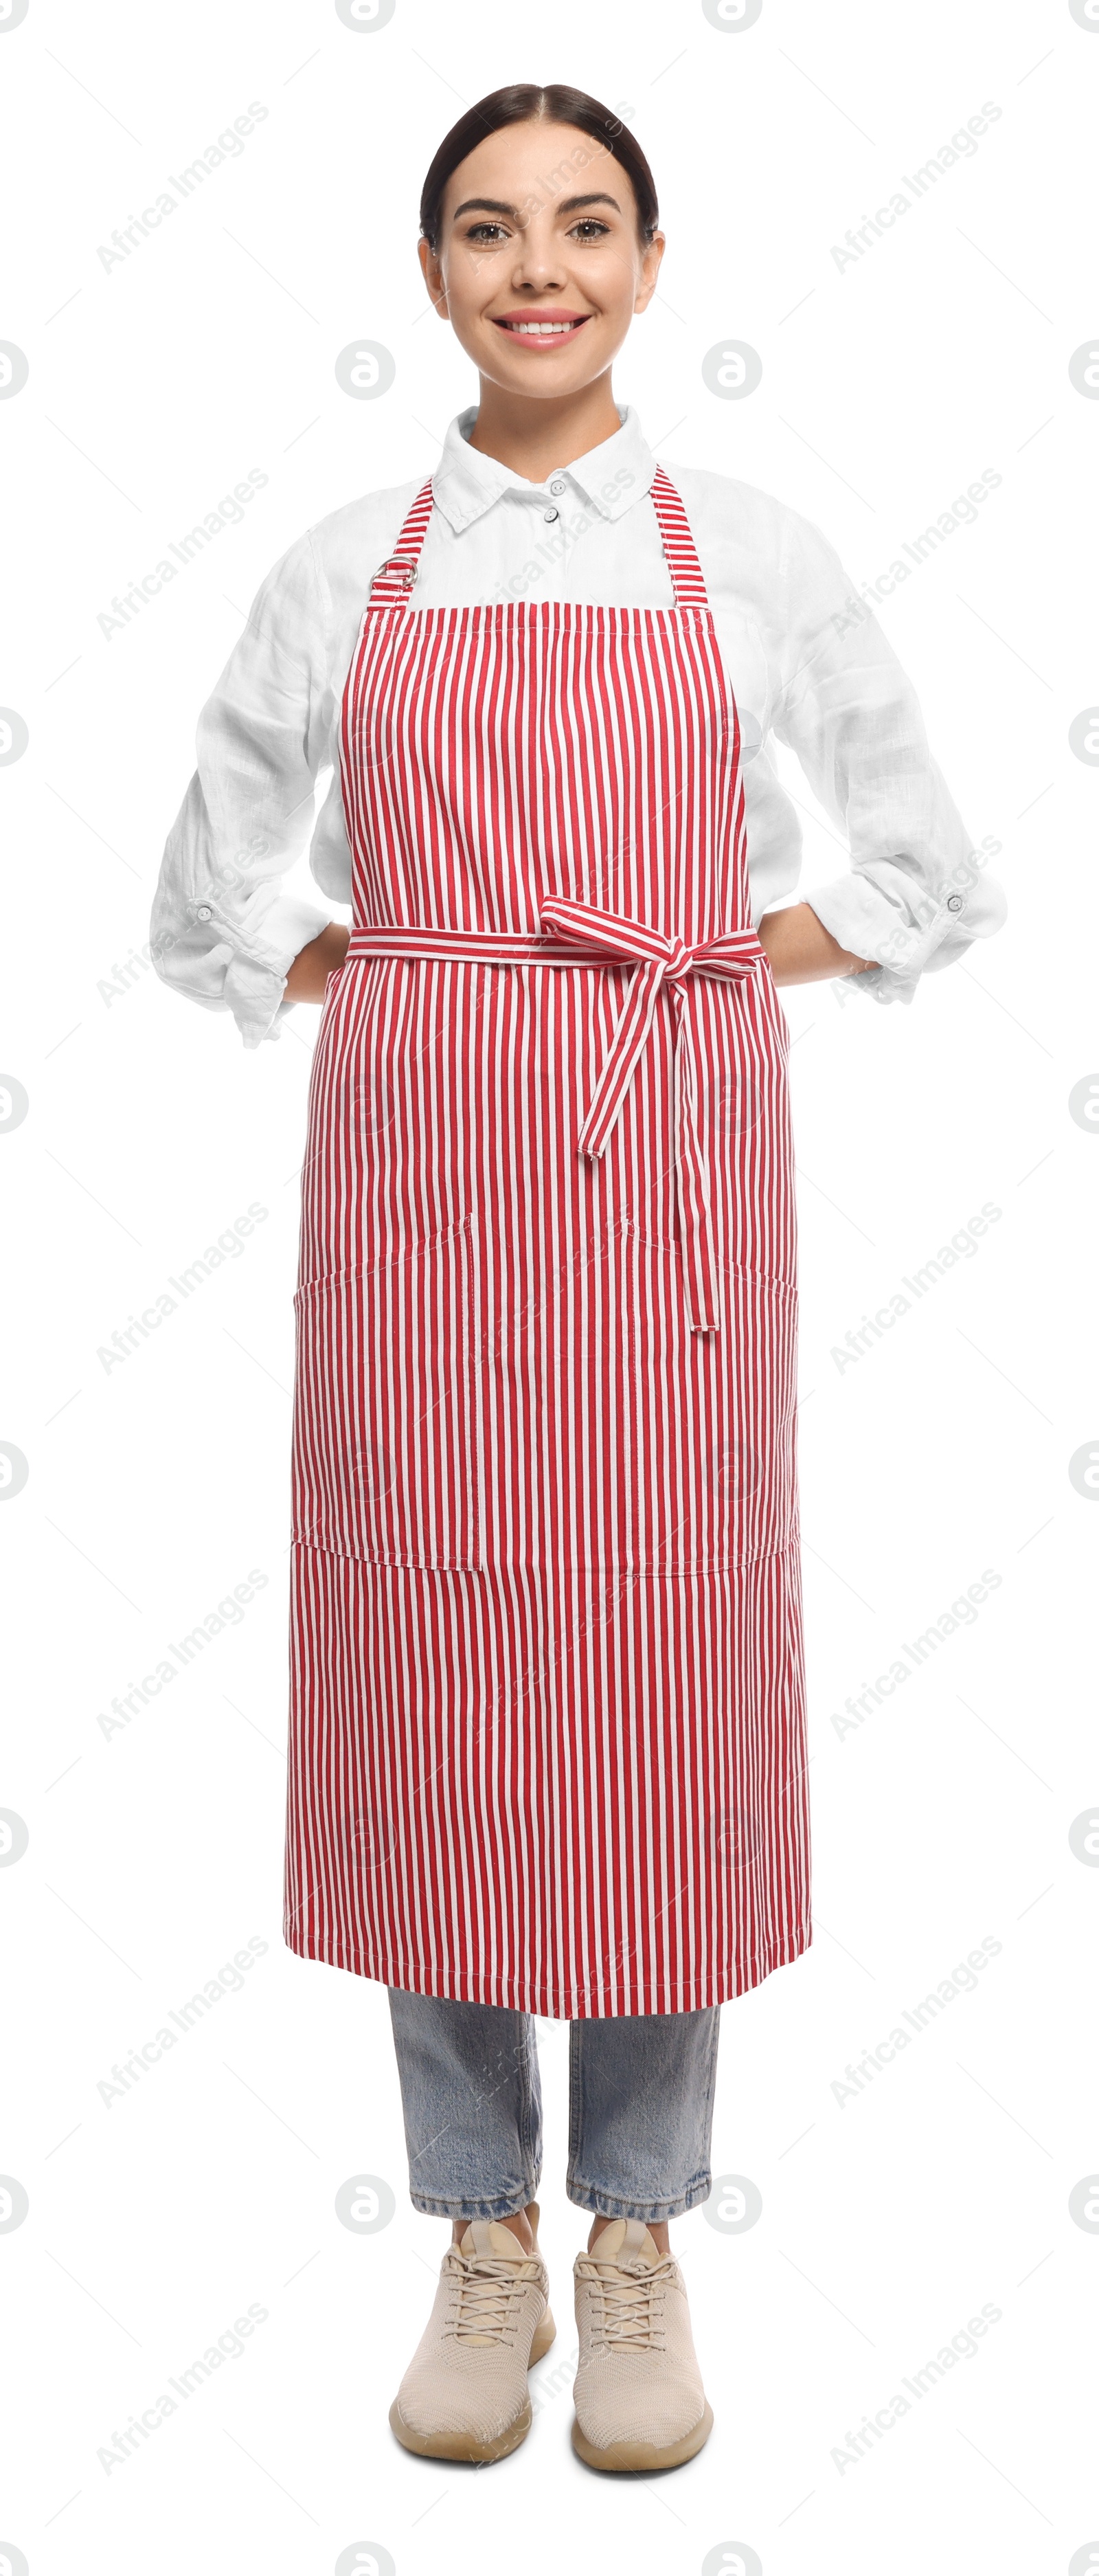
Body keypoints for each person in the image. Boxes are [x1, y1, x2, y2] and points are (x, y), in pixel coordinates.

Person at [150, 83, 1006, 2474]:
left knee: (655, 1663)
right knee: (436, 1652)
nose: (541, 267)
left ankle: (634, 2225)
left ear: (652, 261)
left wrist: (708, 965)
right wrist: (413, 979)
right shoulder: (347, 563)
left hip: (675, 1168)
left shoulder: (753, 552)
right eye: (490, 230)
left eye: (587, 225)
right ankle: (474, 2228)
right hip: (423, 1185)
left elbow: (931, 869)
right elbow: (204, 897)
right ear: (431, 274)